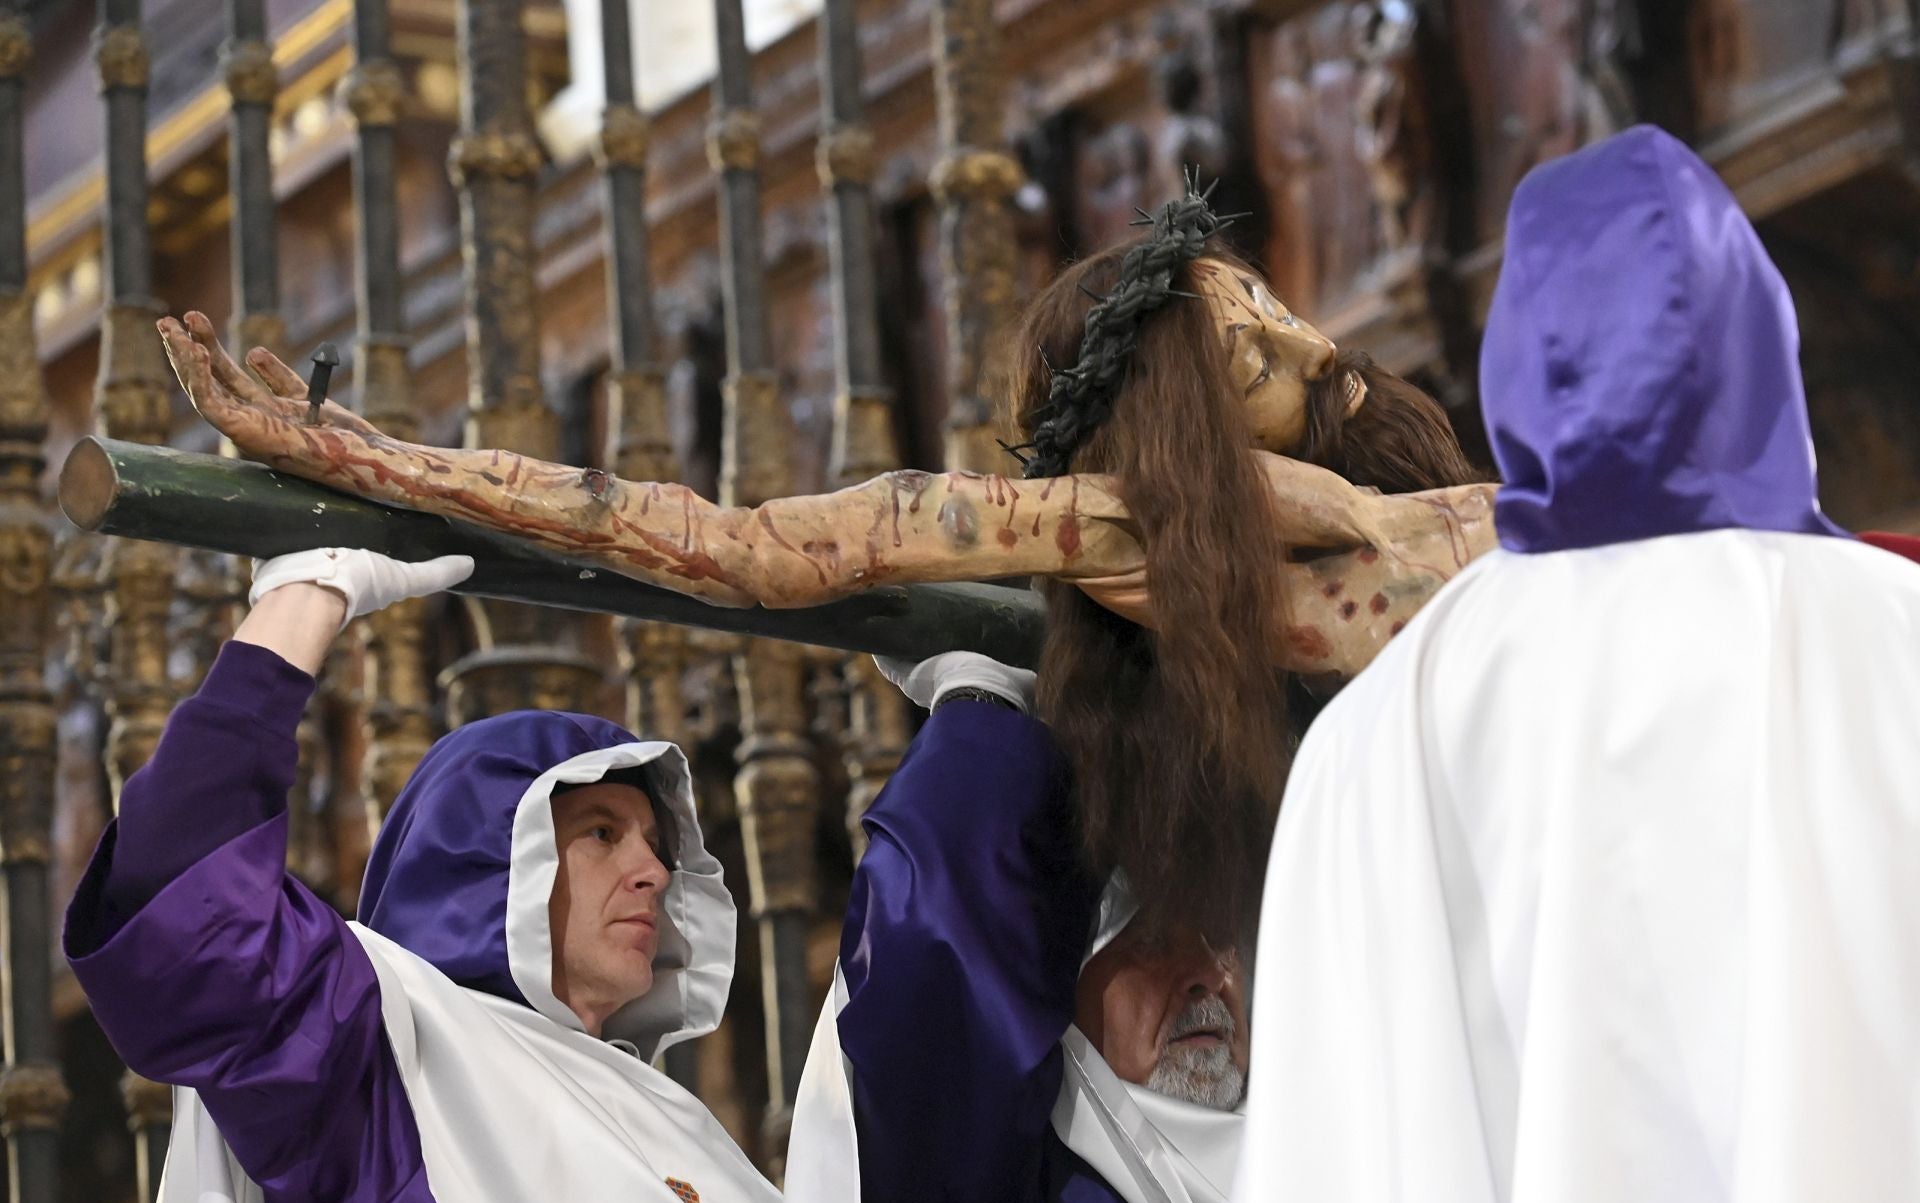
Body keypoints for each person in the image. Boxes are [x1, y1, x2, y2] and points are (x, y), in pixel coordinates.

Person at [154, 189, 1486, 937]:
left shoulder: (1382, 460)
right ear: (1172, 412)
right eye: (1251, 352)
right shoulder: (1127, 522)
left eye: (1283, 315)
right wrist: (370, 462)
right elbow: (723, 544)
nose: (1315, 351)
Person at [1221, 125, 1920, 1203]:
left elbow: (1335, 1174)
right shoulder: (1891, 639)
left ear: (1525, 357)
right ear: (1758, 338)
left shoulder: (1383, 729)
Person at [65, 545, 779, 1203]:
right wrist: (304, 603)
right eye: (601, 831)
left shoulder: (682, 1125)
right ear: (495, 857)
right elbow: (185, 901)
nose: (652, 870)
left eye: (656, 842)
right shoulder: (381, 1062)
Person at [783, 651, 1248, 1203]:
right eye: (1154, 940)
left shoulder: (1344, 1156)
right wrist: (983, 697)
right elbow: (936, 948)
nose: (1208, 978)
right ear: (1055, 992)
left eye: (1224, 943)